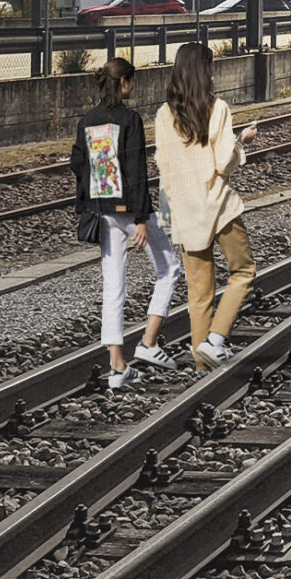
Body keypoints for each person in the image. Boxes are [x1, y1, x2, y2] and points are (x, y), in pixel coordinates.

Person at [72, 57, 179, 389]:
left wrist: (94, 196)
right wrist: (142, 218)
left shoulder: (88, 121)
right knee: (169, 268)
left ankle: (117, 366)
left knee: (113, 286)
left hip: (102, 213)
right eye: (132, 81)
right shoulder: (130, 120)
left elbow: (78, 163)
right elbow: (136, 172)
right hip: (130, 212)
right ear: (123, 83)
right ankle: (148, 342)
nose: (134, 87)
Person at [156, 42, 259, 371]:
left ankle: (203, 368)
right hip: (218, 207)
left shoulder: (164, 114)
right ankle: (214, 341)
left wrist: (168, 214)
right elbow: (222, 164)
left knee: (199, 293)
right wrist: (242, 141)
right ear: (205, 71)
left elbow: (164, 167)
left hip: (185, 210)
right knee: (243, 271)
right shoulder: (218, 109)